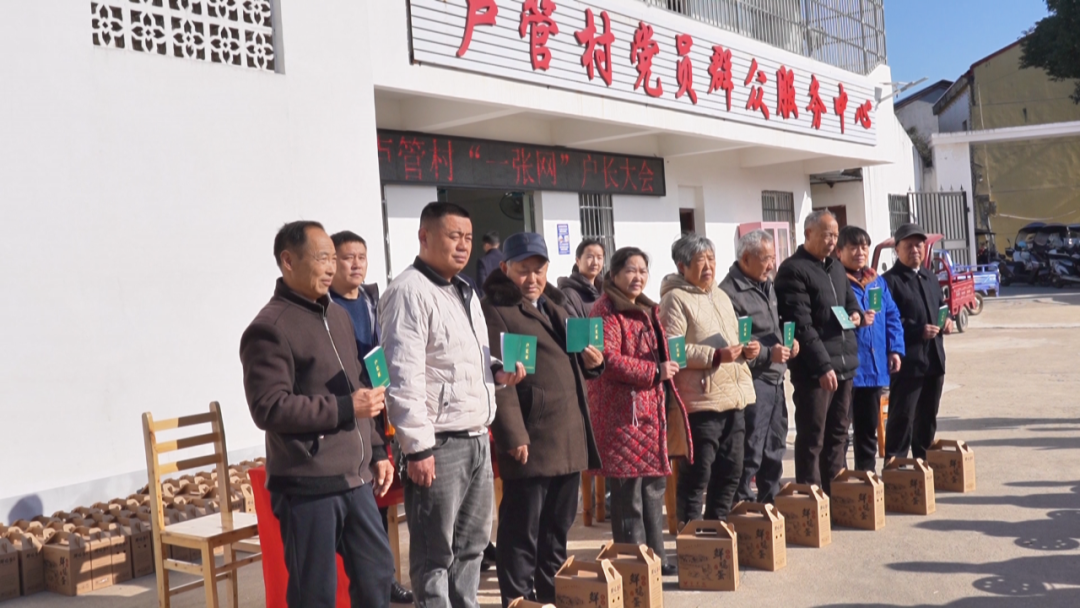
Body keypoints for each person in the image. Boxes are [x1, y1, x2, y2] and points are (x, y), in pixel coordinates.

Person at [239, 221, 395, 608]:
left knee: (377, 576)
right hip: (308, 483)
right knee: (315, 594)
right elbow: (269, 407)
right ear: (288, 261)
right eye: (322, 258)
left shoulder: (337, 316)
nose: (331, 267)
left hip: (355, 478)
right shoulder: (269, 329)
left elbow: (358, 387)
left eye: (332, 259)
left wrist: (377, 450)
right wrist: (345, 407)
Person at [378, 203, 526, 608]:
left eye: (468, 237)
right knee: (435, 555)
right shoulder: (408, 292)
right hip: (439, 444)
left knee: (472, 547)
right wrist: (417, 448)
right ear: (424, 236)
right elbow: (402, 376)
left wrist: (495, 371)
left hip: (476, 435)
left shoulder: (464, 289)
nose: (463, 245)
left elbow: (463, 355)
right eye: (453, 236)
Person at [480, 232, 605, 607]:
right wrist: (513, 435)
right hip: (532, 435)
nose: (532, 278)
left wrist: (592, 363)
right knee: (523, 527)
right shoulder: (497, 309)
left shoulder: (556, 302)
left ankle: (551, 591)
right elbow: (498, 379)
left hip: (568, 429)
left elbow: (572, 359)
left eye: (538, 269)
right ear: (506, 268)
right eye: (523, 270)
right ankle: (518, 597)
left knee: (557, 525)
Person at [587, 246, 692, 576]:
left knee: (653, 490)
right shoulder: (605, 310)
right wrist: (654, 372)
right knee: (627, 495)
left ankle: (656, 560)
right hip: (621, 416)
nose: (638, 277)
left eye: (643, 271)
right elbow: (608, 359)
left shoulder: (647, 308)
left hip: (650, 413)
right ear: (614, 274)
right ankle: (634, 566)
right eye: (631, 270)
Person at [328, 230, 413, 605]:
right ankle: (369, 581)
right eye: (348, 257)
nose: (356, 264)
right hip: (347, 413)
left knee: (381, 497)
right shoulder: (327, 307)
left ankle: (385, 577)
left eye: (361, 257)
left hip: (379, 409)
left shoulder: (369, 300)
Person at [659, 234, 756, 523]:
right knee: (697, 475)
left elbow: (734, 337)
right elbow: (673, 350)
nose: (708, 267)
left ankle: (717, 531)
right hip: (700, 401)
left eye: (711, 259)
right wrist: (715, 356)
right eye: (700, 261)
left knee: (731, 471)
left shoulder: (721, 296)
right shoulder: (674, 299)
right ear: (682, 266)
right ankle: (692, 536)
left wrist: (748, 349)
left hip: (734, 397)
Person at [775, 210, 862, 495]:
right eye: (827, 235)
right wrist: (823, 366)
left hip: (844, 364)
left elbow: (849, 301)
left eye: (835, 235)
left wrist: (856, 314)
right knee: (814, 437)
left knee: (839, 434)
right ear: (808, 234)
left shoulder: (836, 267)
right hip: (815, 371)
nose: (832, 241)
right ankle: (810, 497)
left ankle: (835, 495)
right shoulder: (793, 270)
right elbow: (801, 325)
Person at [720, 230, 801, 504]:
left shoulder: (767, 284)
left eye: (773, 258)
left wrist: (788, 344)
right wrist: (768, 354)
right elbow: (735, 344)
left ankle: (770, 502)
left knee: (775, 445)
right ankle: (743, 504)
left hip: (775, 378)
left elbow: (773, 327)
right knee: (751, 447)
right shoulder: (729, 294)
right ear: (746, 258)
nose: (771, 265)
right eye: (766, 258)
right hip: (753, 380)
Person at [836, 226, 905, 473]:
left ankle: (866, 477)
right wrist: (855, 322)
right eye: (853, 247)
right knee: (839, 432)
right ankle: (840, 479)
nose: (860, 252)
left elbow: (892, 316)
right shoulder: (835, 281)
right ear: (839, 251)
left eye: (864, 247)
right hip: (847, 369)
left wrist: (895, 350)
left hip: (874, 369)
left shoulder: (877, 282)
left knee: (867, 431)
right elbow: (830, 317)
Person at [882, 223, 952, 461]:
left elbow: (941, 306)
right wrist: (917, 330)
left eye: (919, 245)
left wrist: (948, 320)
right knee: (902, 418)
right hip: (908, 364)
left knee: (927, 418)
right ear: (897, 250)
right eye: (909, 246)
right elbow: (887, 321)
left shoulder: (929, 277)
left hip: (934, 360)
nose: (915, 250)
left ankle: (923, 466)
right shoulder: (889, 282)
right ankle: (896, 468)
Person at [558, 238, 606, 318]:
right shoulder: (568, 294)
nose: (595, 262)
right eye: (590, 257)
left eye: (599, 257)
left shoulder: (605, 291)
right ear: (578, 261)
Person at [476, 230, 503, 298]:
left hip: (490, 300)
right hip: (507, 299)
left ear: (487, 245)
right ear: (498, 244)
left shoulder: (482, 261)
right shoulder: (507, 260)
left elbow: (481, 286)